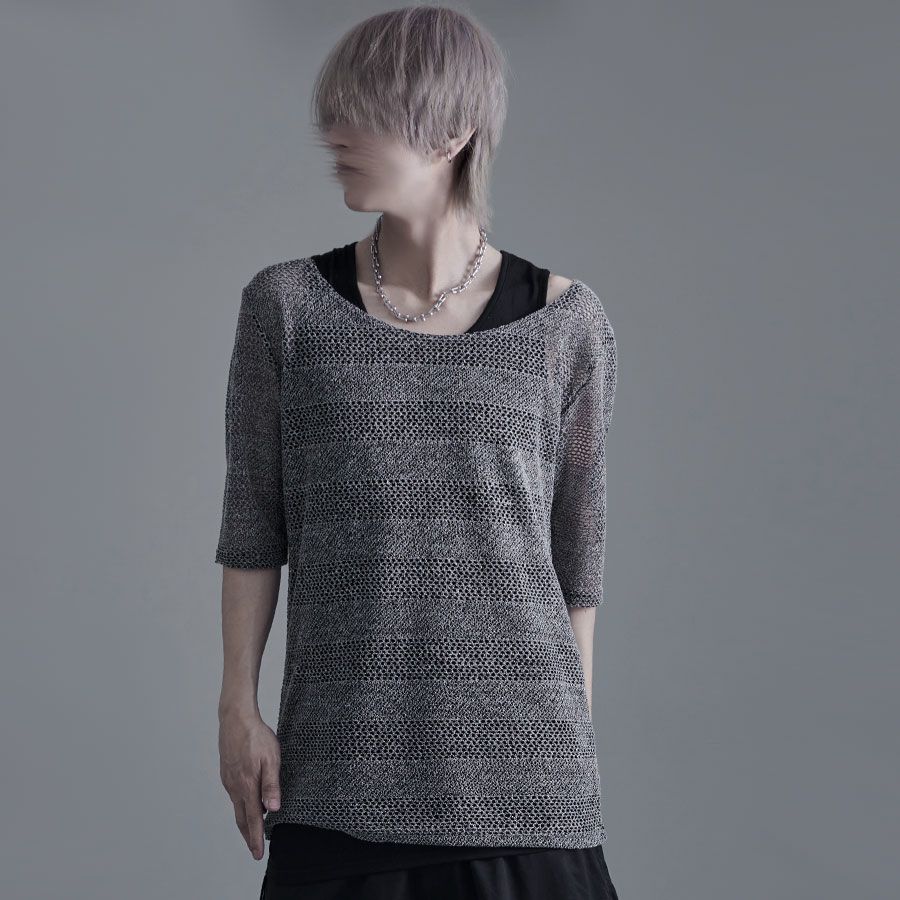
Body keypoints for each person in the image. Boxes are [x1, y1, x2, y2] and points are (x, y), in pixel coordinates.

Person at [214, 7, 620, 899]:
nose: (332, 136)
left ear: (451, 133)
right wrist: (236, 705)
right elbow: (252, 526)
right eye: (331, 113)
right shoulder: (285, 309)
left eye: (360, 116)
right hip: (338, 772)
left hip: (526, 787)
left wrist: (567, 756)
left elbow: (577, 559)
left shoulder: (568, 325)